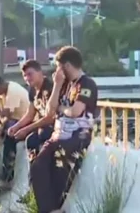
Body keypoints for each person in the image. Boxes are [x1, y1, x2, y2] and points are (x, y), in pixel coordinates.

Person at [30, 46, 98, 213]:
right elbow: (49, 111)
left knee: (60, 168)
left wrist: (61, 109)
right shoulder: (64, 84)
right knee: (38, 165)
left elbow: (76, 111)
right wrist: (57, 85)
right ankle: (47, 209)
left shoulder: (86, 84)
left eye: (58, 66)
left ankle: (55, 208)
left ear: (66, 66)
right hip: (58, 134)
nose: (56, 71)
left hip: (77, 135)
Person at [0, 71, 30, 190]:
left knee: (9, 132)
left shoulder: (12, 90)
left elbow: (5, 116)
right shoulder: (0, 94)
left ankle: (7, 177)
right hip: (13, 121)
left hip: (25, 121)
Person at [8, 60, 55, 160]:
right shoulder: (32, 90)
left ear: (40, 72)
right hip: (41, 123)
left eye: (30, 74)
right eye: (25, 76)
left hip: (53, 125)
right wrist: (17, 127)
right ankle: (9, 170)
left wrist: (26, 129)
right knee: (11, 135)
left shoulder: (50, 88)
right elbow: (30, 114)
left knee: (33, 139)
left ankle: (38, 170)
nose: (27, 78)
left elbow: (50, 118)